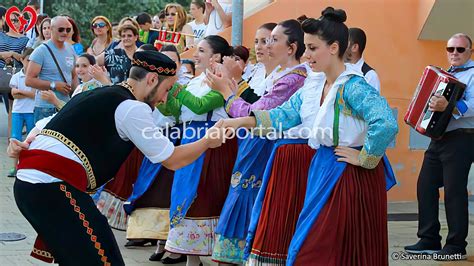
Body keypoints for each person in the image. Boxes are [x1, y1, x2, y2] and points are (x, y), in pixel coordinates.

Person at [222, 7, 398, 266]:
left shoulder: (353, 86)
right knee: (316, 244)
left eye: (313, 48)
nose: (306, 55)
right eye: (306, 48)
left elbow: (385, 122)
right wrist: (238, 121)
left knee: (325, 247)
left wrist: (365, 156)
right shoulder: (314, 85)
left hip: (348, 174)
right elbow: (280, 116)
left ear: (335, 48)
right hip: (323, 167)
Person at [163, 35, 238, 266]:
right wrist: (164, 97)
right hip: (190, 136)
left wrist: (176, 86)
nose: (196, 55)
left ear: (216, 57)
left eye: (202, 51)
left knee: (207, 195)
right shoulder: (195, 81)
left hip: (211, 140)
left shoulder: (223, 81)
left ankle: (217, 255)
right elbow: (176, 112)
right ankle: (191, 258)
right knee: (185, 192)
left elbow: (200, 105)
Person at [404, 33, 474, 261]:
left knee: (454, 191)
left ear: (470, 52)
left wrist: (450, 105)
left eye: (460, 50)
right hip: (439, 138)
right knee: (425, 185)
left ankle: (456, 245)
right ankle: (429, 239)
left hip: (463, 138)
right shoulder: (444, 75)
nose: (454, 53)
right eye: (450, 49)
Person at [25, 16, 78, 122]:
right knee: (44, 138)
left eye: (68, 30)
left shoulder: (70, 48)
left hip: (64, 105)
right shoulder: (40, 51)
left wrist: (77, 95)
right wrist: (54, 85)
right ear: (52, 29)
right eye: (61, 29)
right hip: (45, 107)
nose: (65, 32)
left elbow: (74, 75)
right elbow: (29, 80)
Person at [8, 48, 36, 178]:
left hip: (31, 111)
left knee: (31, 139)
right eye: (27, 60)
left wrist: (21, 92)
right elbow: (14, 94)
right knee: (15, 138)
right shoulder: (16, 76)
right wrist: (25, 94)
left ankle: (29, 165)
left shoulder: (36, 77)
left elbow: (33, 95)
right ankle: (14, 166)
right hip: (18, 111)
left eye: (32, 61)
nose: (29, 63)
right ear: (22, 60)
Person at [344, 27, 381, 91]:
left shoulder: (370, 76)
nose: (340, 46)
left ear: (354, 47)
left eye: (344, 43)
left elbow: (372, 100)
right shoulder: (337, 70)